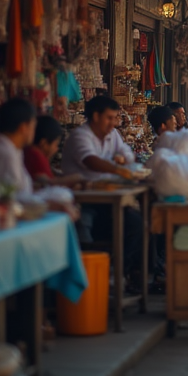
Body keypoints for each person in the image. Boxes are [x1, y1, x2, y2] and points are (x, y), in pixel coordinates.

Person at [61, 96, 145, 283]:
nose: (113, 123)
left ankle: (120, 271)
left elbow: (126, 153)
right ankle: (98, 274)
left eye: (115, 118)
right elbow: (90, 161)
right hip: (84, 202)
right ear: (96, 116)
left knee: (137, 224)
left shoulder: (112, 135)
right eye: (109, 118)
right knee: (96, 229)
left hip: (107, 199)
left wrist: (124, 160)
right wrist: (117, 169)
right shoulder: (80, 136)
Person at [22, 115, 85, 188]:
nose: (57, 149)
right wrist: (76, 178)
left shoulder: (30, 152)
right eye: (56, 144)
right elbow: (48, 184)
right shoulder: (36, 156)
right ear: (44, 144)